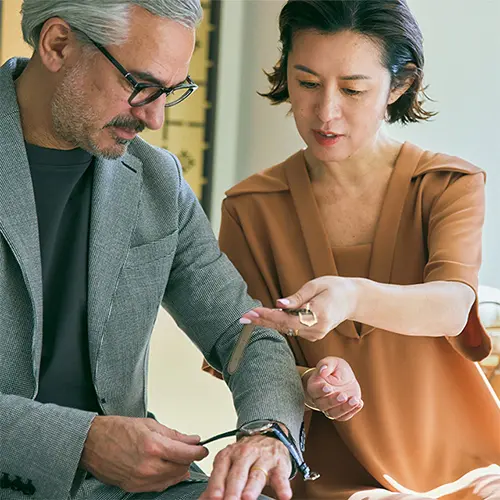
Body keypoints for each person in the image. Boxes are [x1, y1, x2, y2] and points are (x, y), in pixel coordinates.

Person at [0, 1, 310, 499]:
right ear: (57, 44)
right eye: (139, 84)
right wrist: (79, 441)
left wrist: (268, 432)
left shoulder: (157, 181)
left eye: (171, 92)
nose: (155, 117)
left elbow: (245, 330)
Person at [203, 0, 500, 498]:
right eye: (308, 83)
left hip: (466, 467)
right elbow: (242, 348)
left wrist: (351, 296)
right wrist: (308, 381)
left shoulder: (447, 184)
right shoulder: (249, 209)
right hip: (322, 478)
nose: (326, 112)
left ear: (398, 85)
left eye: (354, 89)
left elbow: (453, 306)